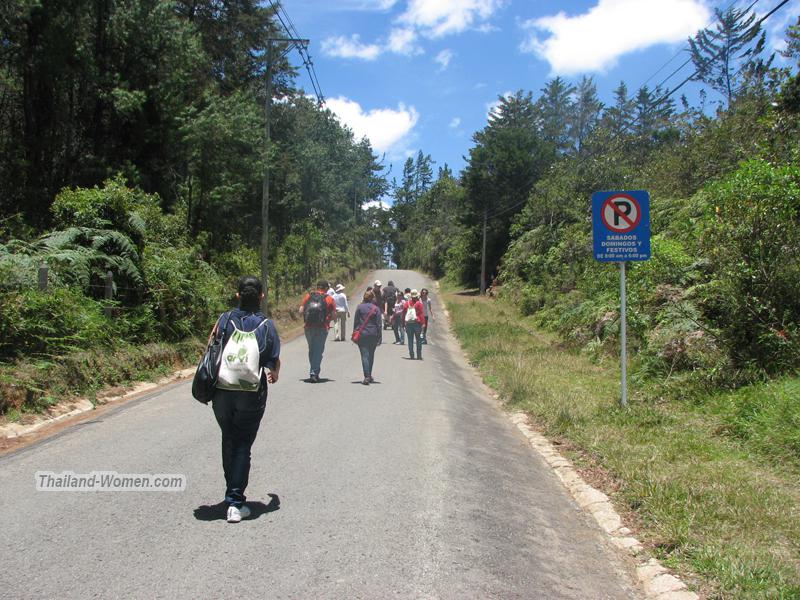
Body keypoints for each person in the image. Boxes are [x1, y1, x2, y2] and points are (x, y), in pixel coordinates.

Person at [208, 276, 280, 523]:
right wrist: (275, 372)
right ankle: (235, 502)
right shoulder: (266, 325)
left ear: (238, 295)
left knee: (228, 438)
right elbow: (273, 362)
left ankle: (231, 494)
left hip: (222, 391)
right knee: (242, 445)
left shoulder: (224, 319)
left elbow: (211, 347)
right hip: (250, 393)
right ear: (261, 296)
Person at [299, 280, 336, 382]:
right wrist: (328, 319)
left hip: (308, 327)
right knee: (318, 351)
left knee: (312, 350)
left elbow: (301, 311)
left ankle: (314, 371)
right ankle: (314, 373)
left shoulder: (308, 297)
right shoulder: (330, 299)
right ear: (326, 288)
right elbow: (334, 315)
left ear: (317, 287)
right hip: (322, 327)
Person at [352, 290, 382, 385]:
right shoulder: (376, 309)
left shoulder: (359, 307)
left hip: (362, 334)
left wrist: (354, 333)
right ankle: (369, 375)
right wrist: (380, 336)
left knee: (365, 355)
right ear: (372, 298)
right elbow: (379, 324)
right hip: (373, 334)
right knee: (371, 355)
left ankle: (367, 376)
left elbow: (356, 322)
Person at [402, 289, 426, 360]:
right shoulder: (419, 304)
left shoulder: (407, 304)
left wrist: (403, 323)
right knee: (418, 339)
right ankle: (419, 355)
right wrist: (423, 323)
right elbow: (421, 314)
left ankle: (411, 355)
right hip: (417, 324)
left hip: (409, 324)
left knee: (410, 339)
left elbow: (403, 314)